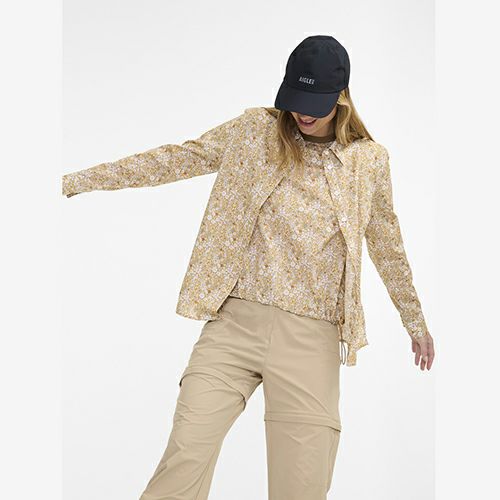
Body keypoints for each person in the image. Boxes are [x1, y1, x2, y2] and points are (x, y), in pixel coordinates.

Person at [62, 35, 434, 500]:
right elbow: (177, 158)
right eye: (295, 100)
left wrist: (415, 322)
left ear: (341, 96)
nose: (302, 114)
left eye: (315, 104)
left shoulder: (368, 162)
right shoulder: (253, 132)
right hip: (234, 325)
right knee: (185, 456)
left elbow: (387, 244)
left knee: (301, 488)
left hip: (311, 340)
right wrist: (72, 181)